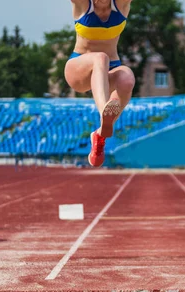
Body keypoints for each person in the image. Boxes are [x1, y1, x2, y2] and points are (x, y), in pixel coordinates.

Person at [65, 0, 136, 167]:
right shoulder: (83, 4)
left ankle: (99, 135)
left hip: (110, 70)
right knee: (100, 57)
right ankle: (104, 109)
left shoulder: (121, 4)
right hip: (79, 68)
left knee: (127, 78)